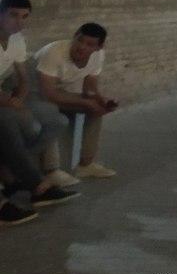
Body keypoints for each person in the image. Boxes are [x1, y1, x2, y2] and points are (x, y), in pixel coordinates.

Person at [0, 0, 79, 209]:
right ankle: (37, 186)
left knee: (57, 121)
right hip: (3, 102)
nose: (19, 22)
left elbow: (23, 77)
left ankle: (9, 167)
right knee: (9, 120)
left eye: (24, 17)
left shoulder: (16, 39)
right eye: (13, 15)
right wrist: (13, 104)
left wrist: (20, 100)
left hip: (8, 98)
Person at [35, 23, 119, 179]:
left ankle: (86, 164)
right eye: (80, 40)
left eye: (89, 44)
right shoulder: (54, 52)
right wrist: (86, 102)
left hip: (60, 91)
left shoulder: (98, 56)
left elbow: (90, 87)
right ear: (74, 37)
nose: (81, 47)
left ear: (99, 47)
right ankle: (52, 171)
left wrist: (100, 99)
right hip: (36, 92)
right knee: (52, 112)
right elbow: (48, 94)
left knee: (95, 109)